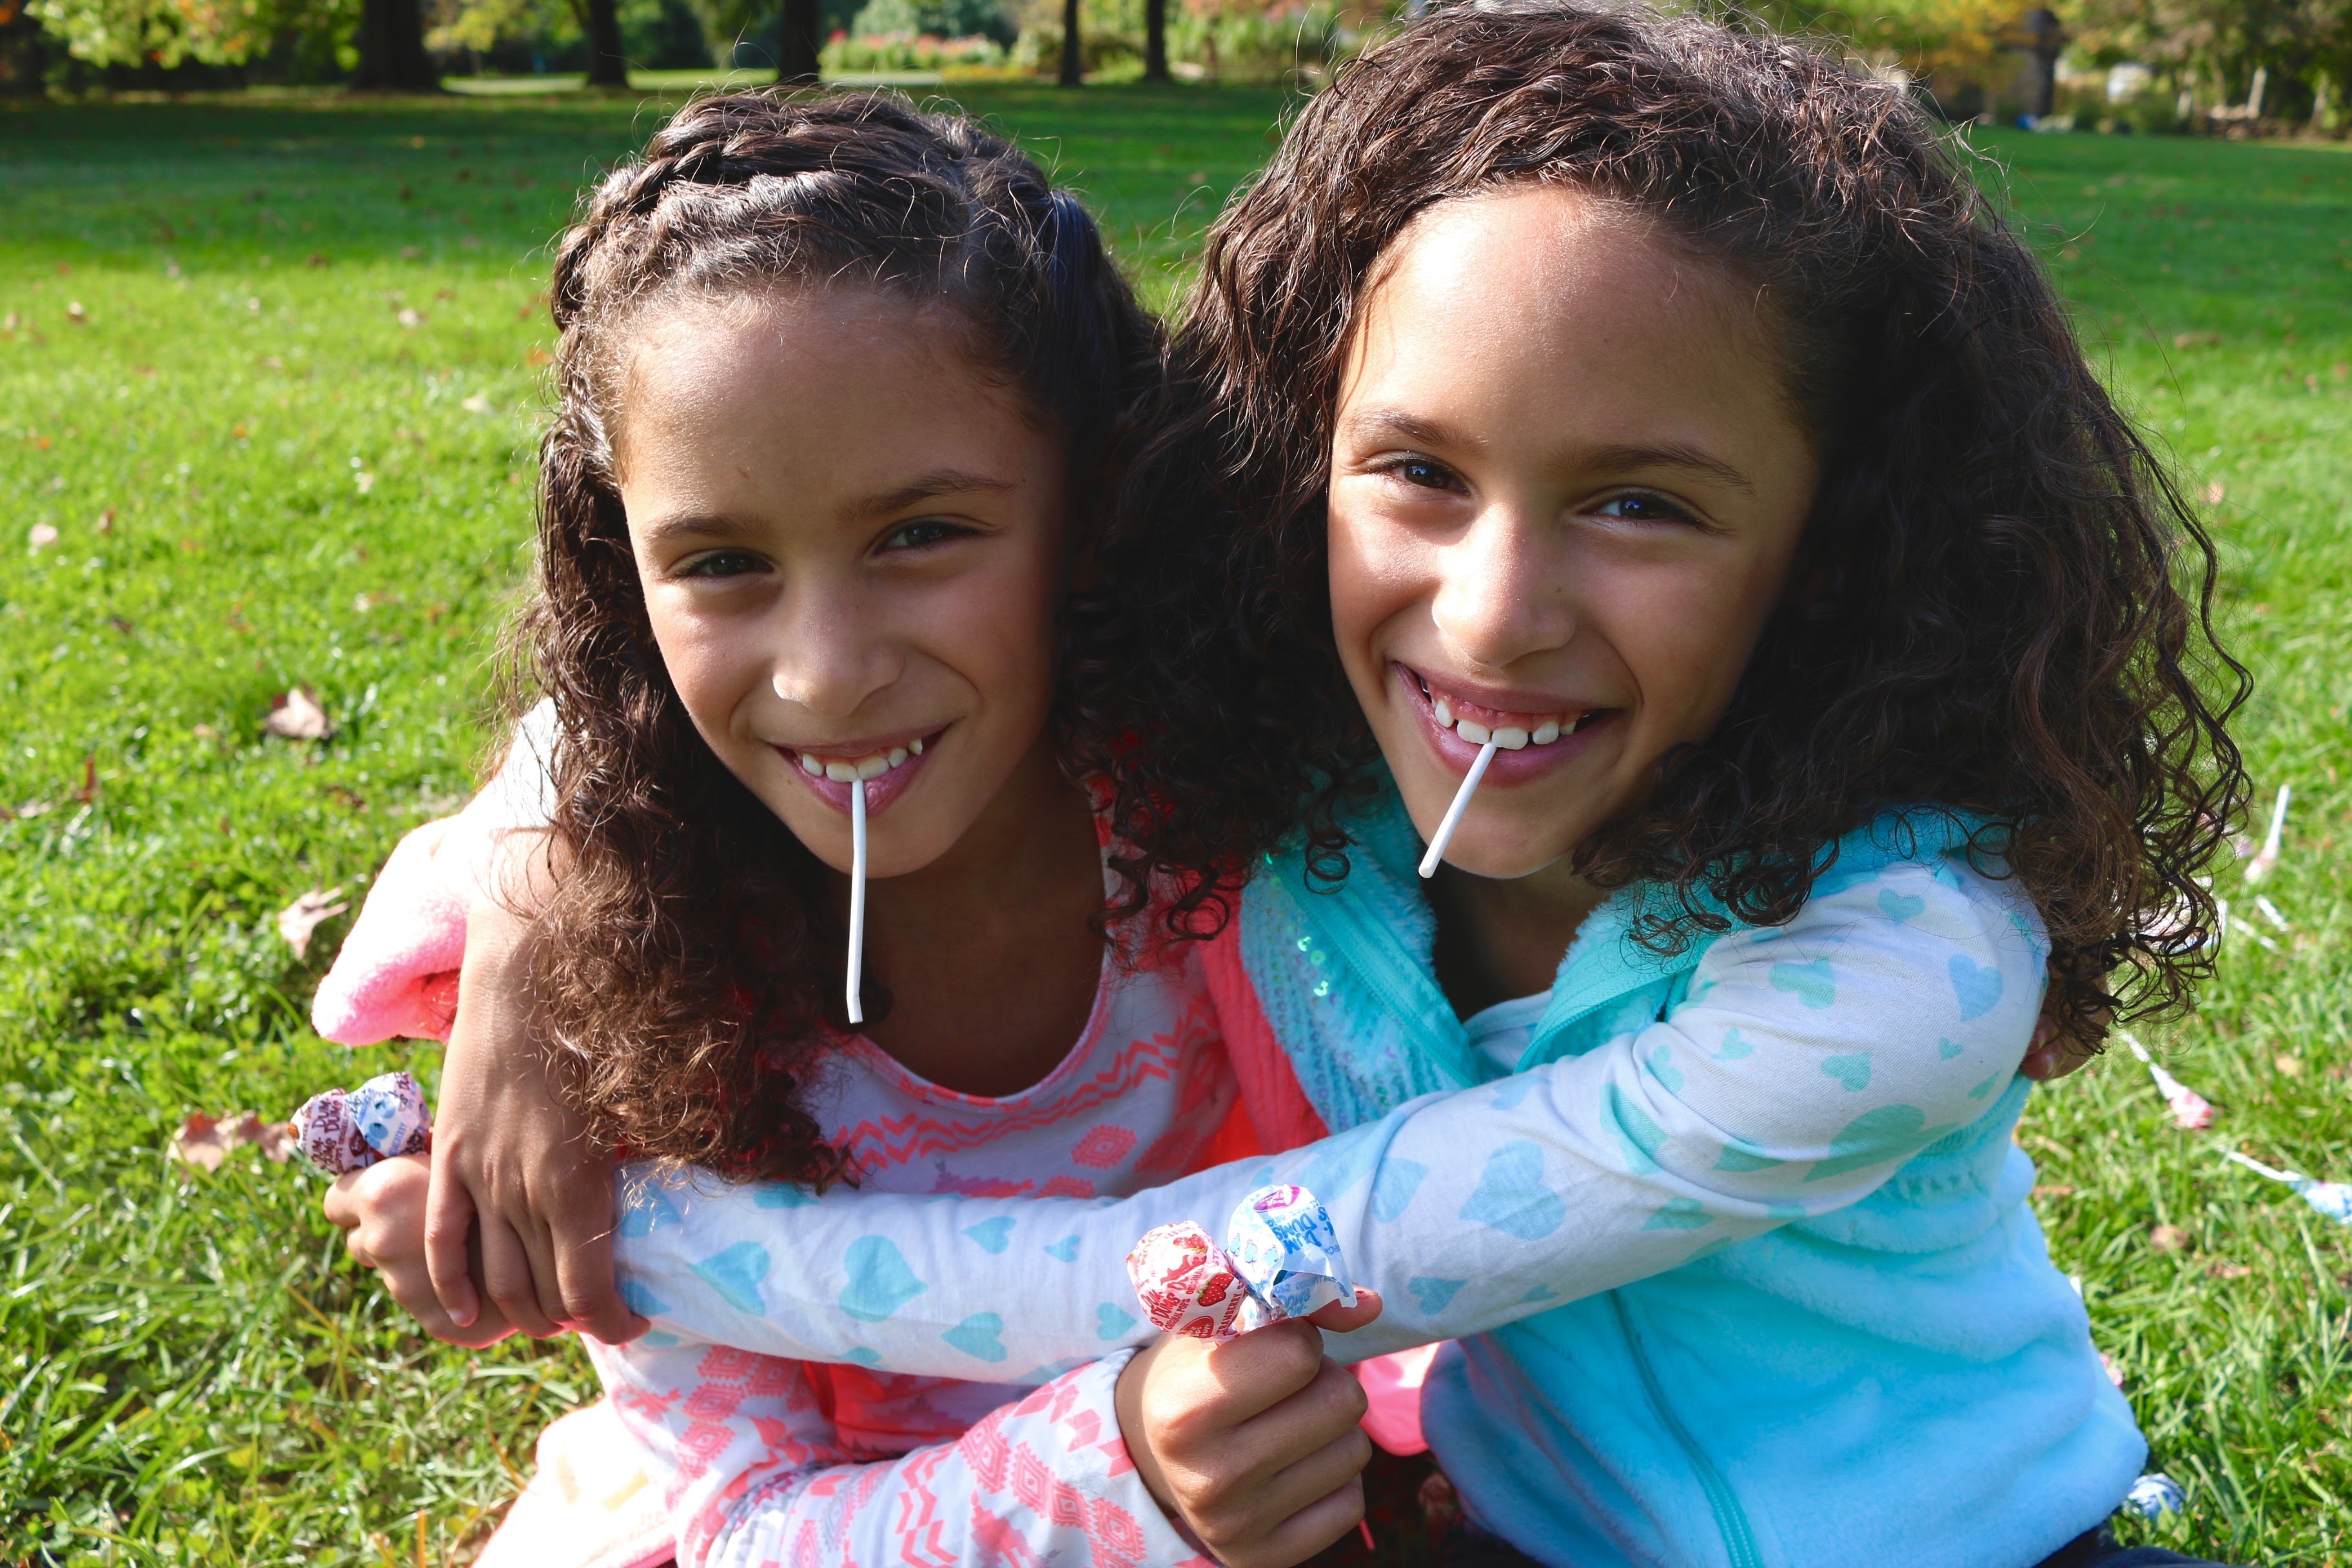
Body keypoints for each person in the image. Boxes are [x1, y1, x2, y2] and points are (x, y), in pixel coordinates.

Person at [334, 9, 2246, 1566]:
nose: (1489, 618)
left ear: (1839, 541)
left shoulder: (1901, 970)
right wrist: (540, 906)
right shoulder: (1311, 799)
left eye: (1640, 502)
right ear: (1286, 465)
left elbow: (1170, 1265)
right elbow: (675, 633)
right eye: (1415, 470)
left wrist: (624, 1235)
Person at [321, 88, 1384, 1568]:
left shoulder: (1217, 803)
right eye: (724, 562)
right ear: (621, 575)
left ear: (1091, 509)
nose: (826, 672)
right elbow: (742, 1522)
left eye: (922, 535)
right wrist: (1119, 1464)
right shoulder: (641, 958)